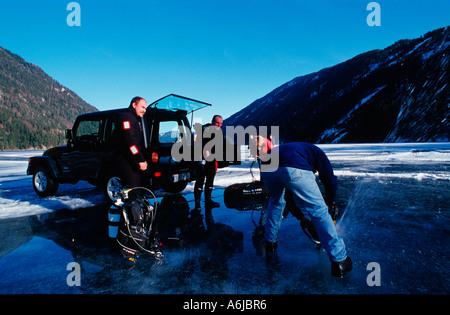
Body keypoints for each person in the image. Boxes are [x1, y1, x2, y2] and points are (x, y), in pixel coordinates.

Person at [258, 140, 352, 278]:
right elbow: (329, 179)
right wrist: (330, 201)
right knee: (319, 210)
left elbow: (289, 198)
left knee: (276, 202)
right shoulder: (318, 153)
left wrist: (301, 217)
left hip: (267, 166)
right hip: (292, 164)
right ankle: (340, 260)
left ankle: (270, 242)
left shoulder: (301, 150)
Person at [115, 96, 148, 188]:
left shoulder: (135, 119)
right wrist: (140, 159)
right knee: (132, 189)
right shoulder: (126, 118)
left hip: (132, 160)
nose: (144, 110)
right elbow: (131, 142)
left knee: (136, 188)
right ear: (134, 105)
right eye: (142, 107)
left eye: (145, 108)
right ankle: (131, 202)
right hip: (127, 160)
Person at [193, 115, 224, 209]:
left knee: (210, 180)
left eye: (221, 123)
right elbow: (196, 142)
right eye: (217, 123)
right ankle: (197, 203)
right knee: (200, 180)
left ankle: (208, 201)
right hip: (202, 159)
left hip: (212, 159)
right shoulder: (204, 129)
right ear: (212, 121)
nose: (219, 125)